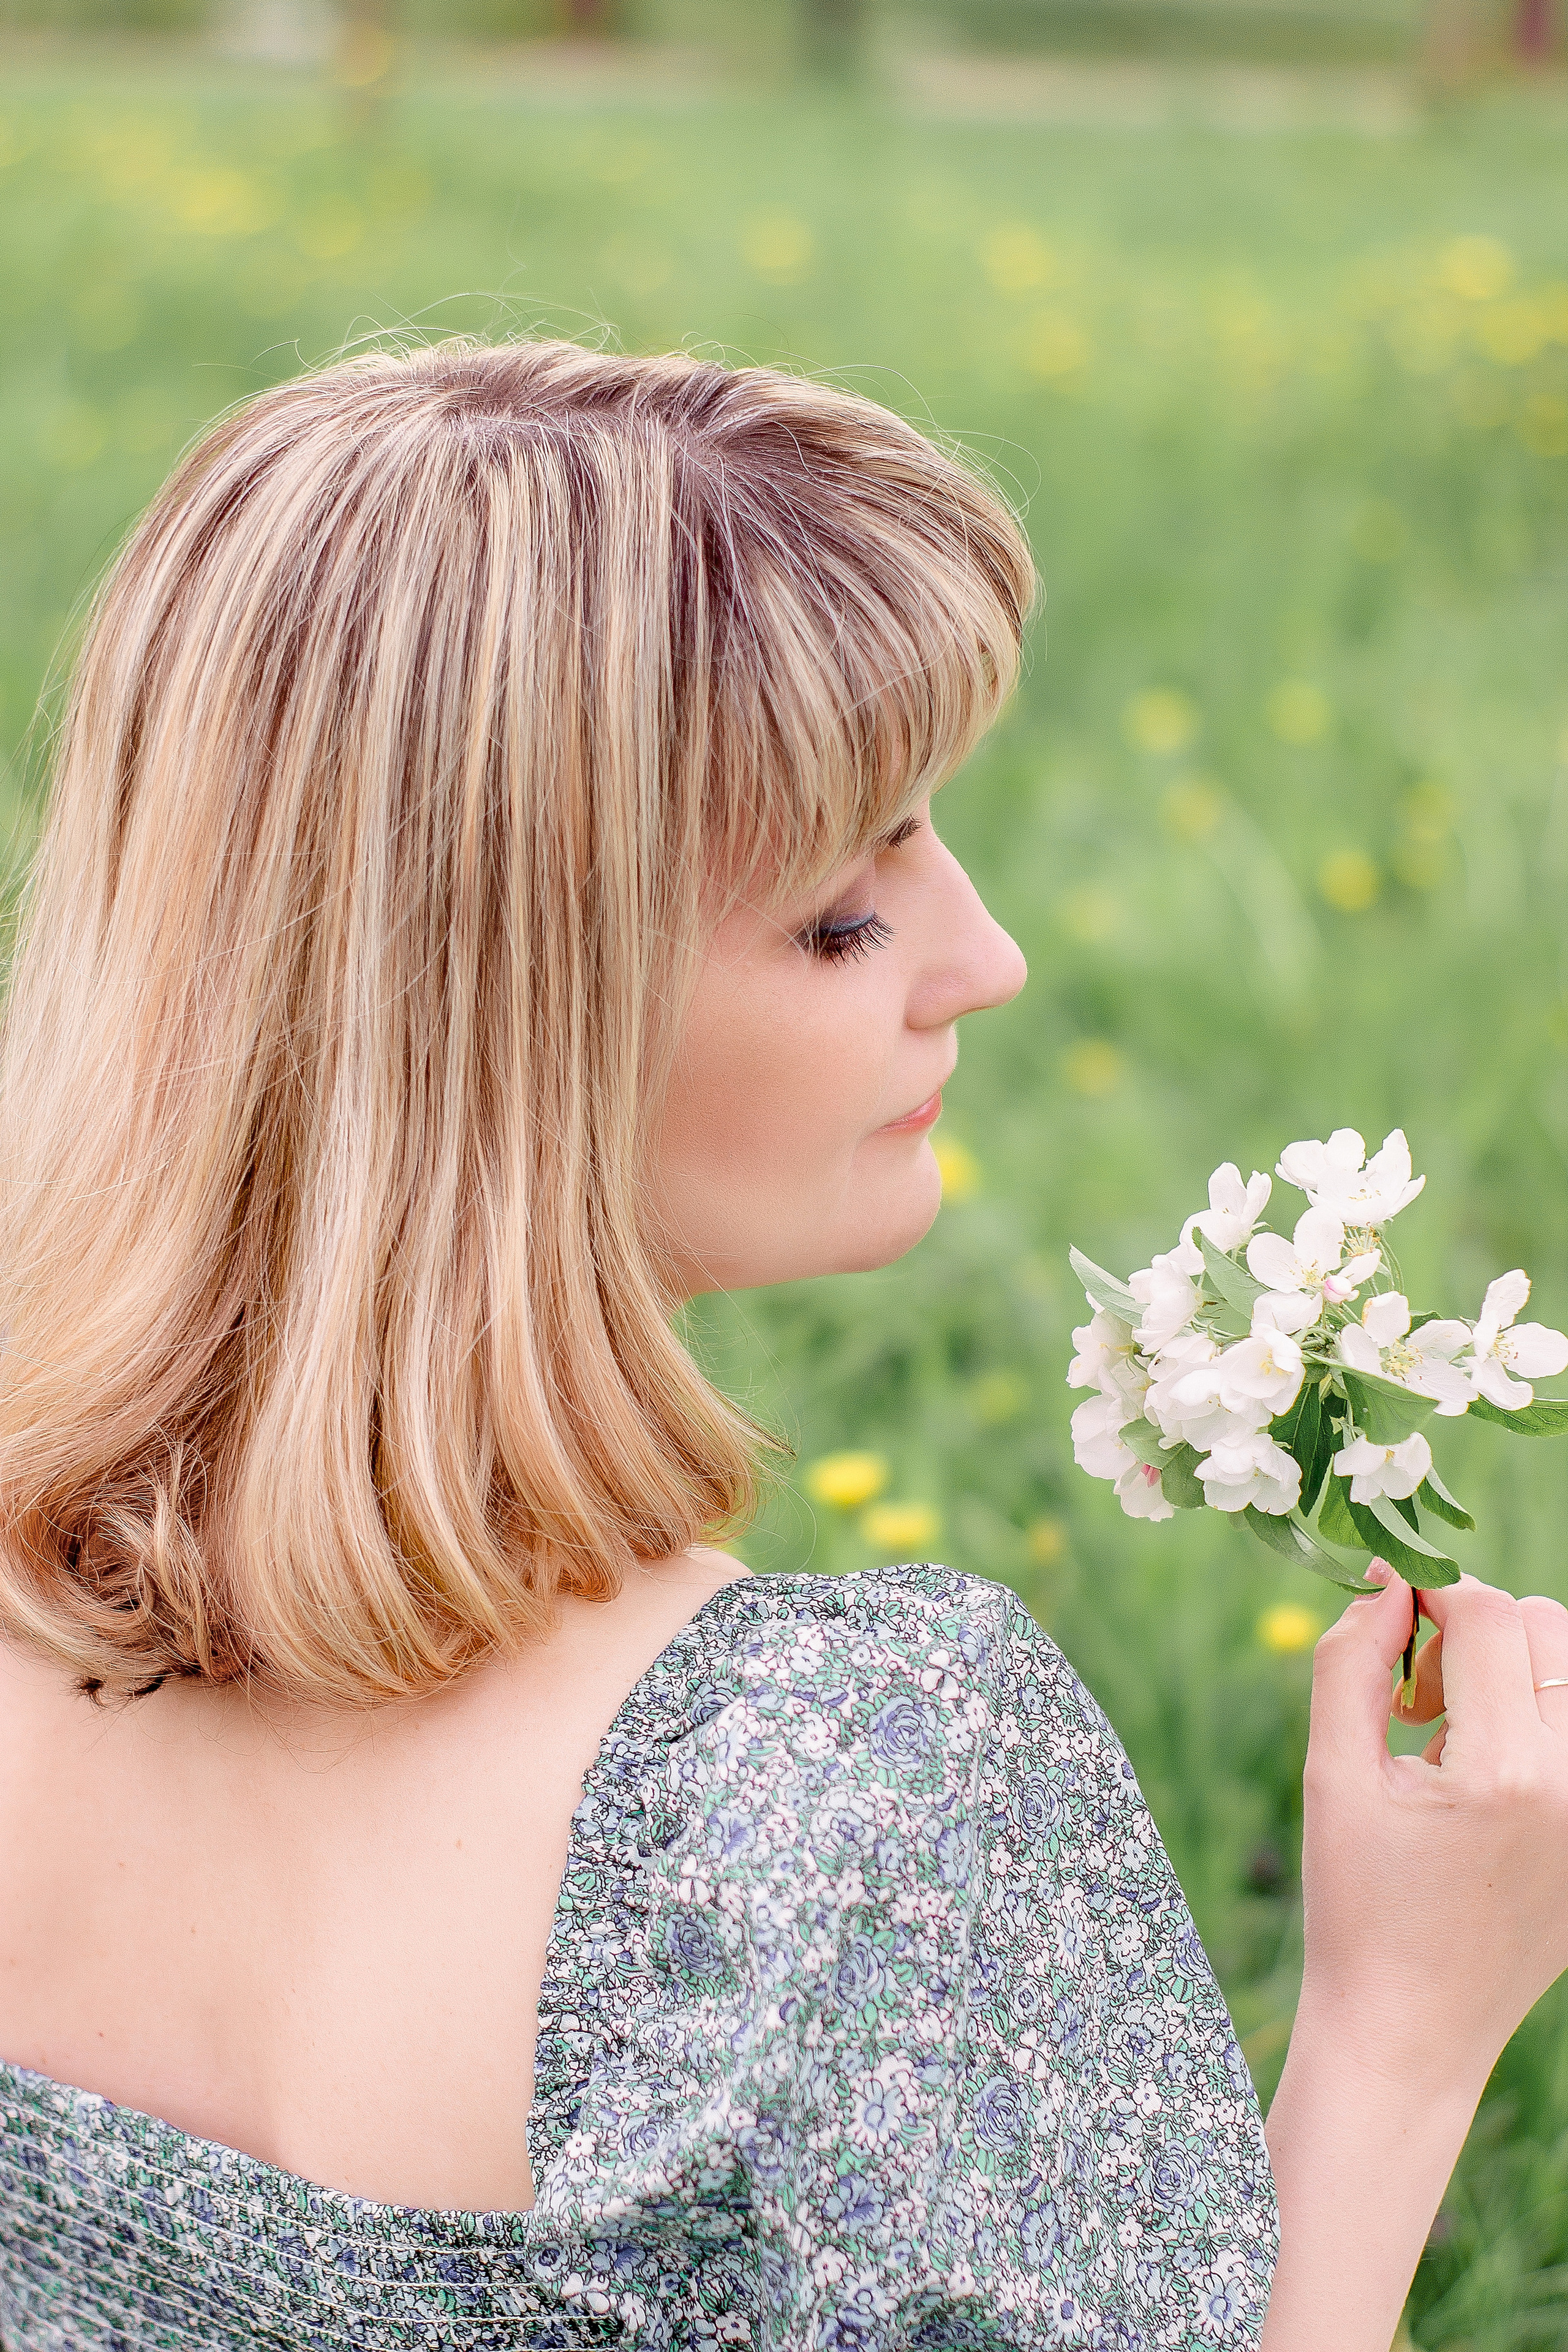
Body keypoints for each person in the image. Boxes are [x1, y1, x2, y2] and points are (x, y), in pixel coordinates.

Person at [0, 339, 1564, 2352]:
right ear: (510, 1040)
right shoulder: (835, 1782)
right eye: (842, 916)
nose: (985, 962)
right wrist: (1401, 2041)